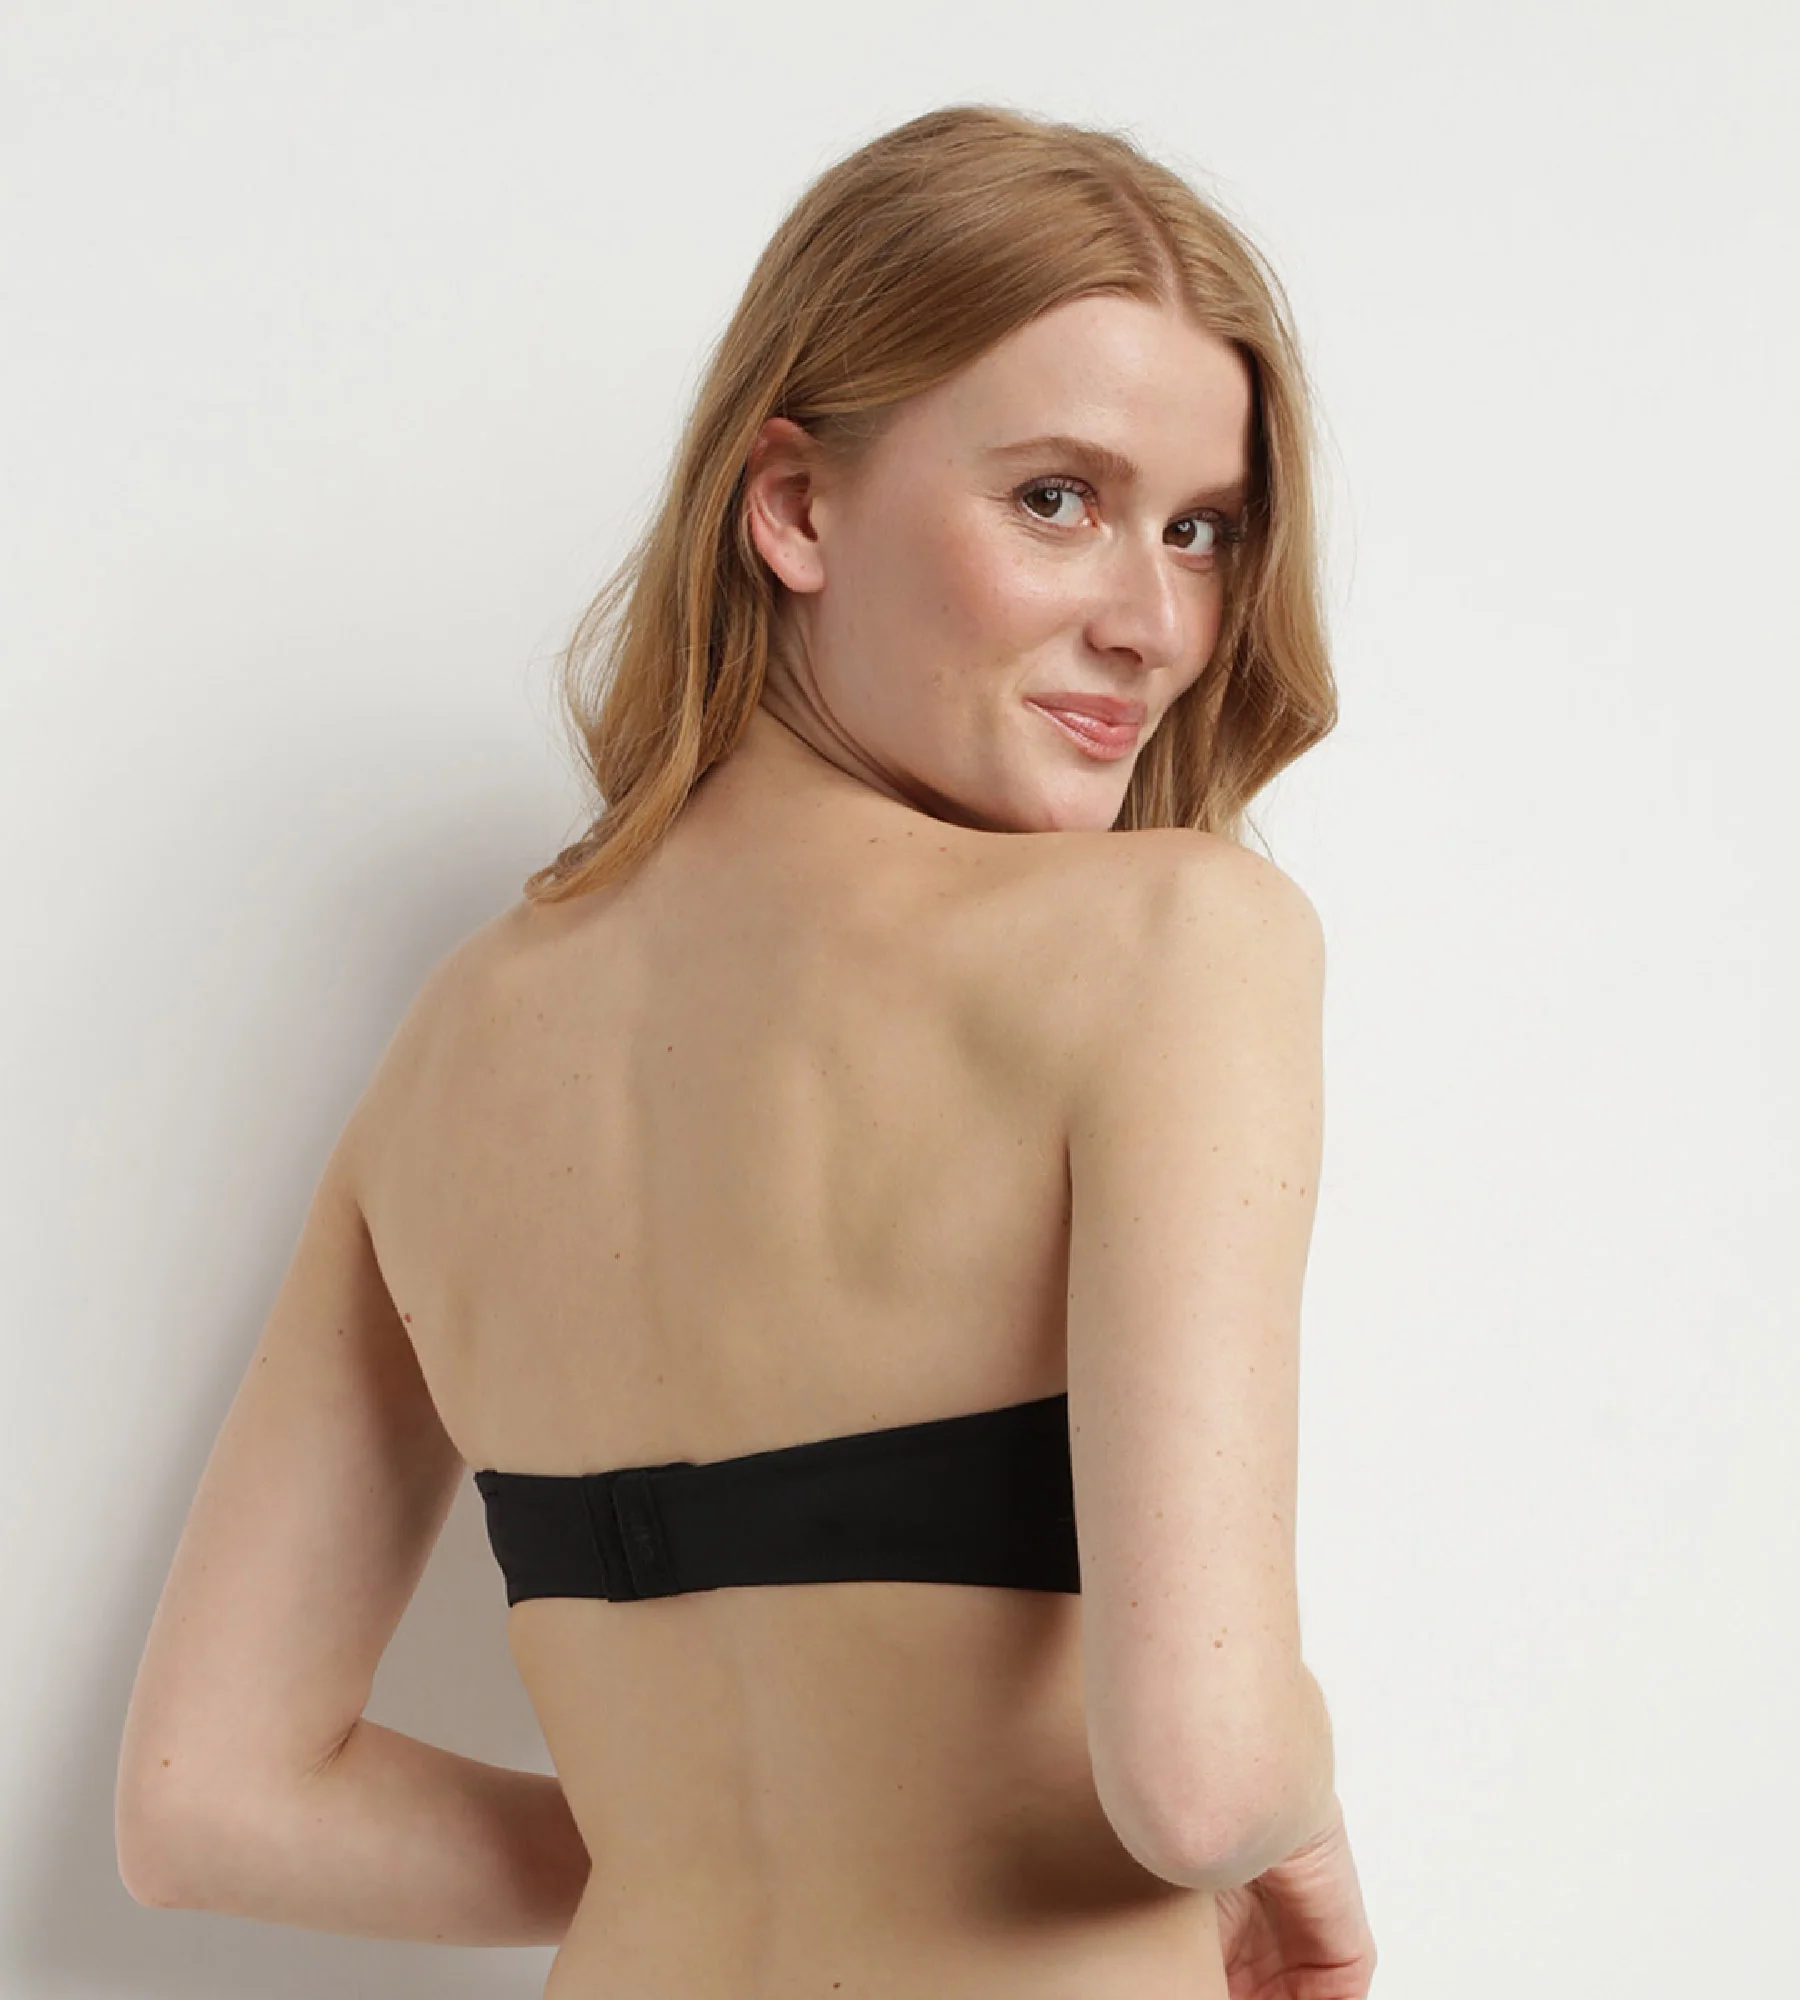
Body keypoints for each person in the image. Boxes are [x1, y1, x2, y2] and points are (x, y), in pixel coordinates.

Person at [115, 103, 1377, 1999]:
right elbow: (1199, 1780)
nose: (1155, 624)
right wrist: (1304, 1812)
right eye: (1058, 500)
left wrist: (696, 1839)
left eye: (1201, 531)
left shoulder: (462, 1038)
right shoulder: (1172, 939)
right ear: (792, 507)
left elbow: (211, 1803)